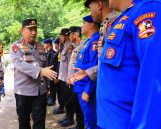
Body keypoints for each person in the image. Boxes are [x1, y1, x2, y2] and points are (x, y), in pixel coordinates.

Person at [69, 0, 161, 128]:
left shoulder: (147, 10)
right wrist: (88, 72)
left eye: (91, 7)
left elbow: (154, 81)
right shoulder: (123, 19)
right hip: (109, 120)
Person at [10, 18, 57, 129]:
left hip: (40, 91)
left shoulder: (40, 46)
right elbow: (19, 64)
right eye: (30, 29)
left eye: (35, 29)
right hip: (23, 91)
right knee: (24, 122)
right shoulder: (16, 47)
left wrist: (48, 85)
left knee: (40, 122)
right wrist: (39, 71)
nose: (34, 32)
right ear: (22, 30)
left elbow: (45, 66)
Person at [68, 26, 85, 129]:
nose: (69, 36)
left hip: (79, 82)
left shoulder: (83, 46)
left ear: (74, 35)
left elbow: (80, 67)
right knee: (76, 106)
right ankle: (79, 125)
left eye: (70, 34)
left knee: (80, 107)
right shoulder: (76, 47)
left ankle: (80, 125)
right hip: (74, 81)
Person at [57, 28, 75, 127]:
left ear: (67, 36)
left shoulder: (70, 47)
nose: (60, 37)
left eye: (62, 36)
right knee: (65, 98)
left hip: (67, 78)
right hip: (62, 77)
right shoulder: (64, 46)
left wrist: (69, 78)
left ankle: (70, 118)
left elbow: (70, 64)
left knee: (68, 99)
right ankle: (67, 116)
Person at [52, 38, 65, 114]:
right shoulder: (58, 53)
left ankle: (62, 107)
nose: (56, 46)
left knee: (61, 93)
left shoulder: (61, 53)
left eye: (56, 44)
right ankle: (61, 106)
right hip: (57, 75)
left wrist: (56, 76)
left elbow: (59, 66)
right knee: (59, 92)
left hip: (60, 77)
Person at [43, 38, 56, 106]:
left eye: (44, 43)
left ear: (48, 44)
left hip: (51, 72)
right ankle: (48, 98)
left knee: (52, 86)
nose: (44, 45)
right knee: (48, 86)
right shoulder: (47, 52)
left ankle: (52, 100)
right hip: (46, 72)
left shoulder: (52, 53)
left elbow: (52, 65)